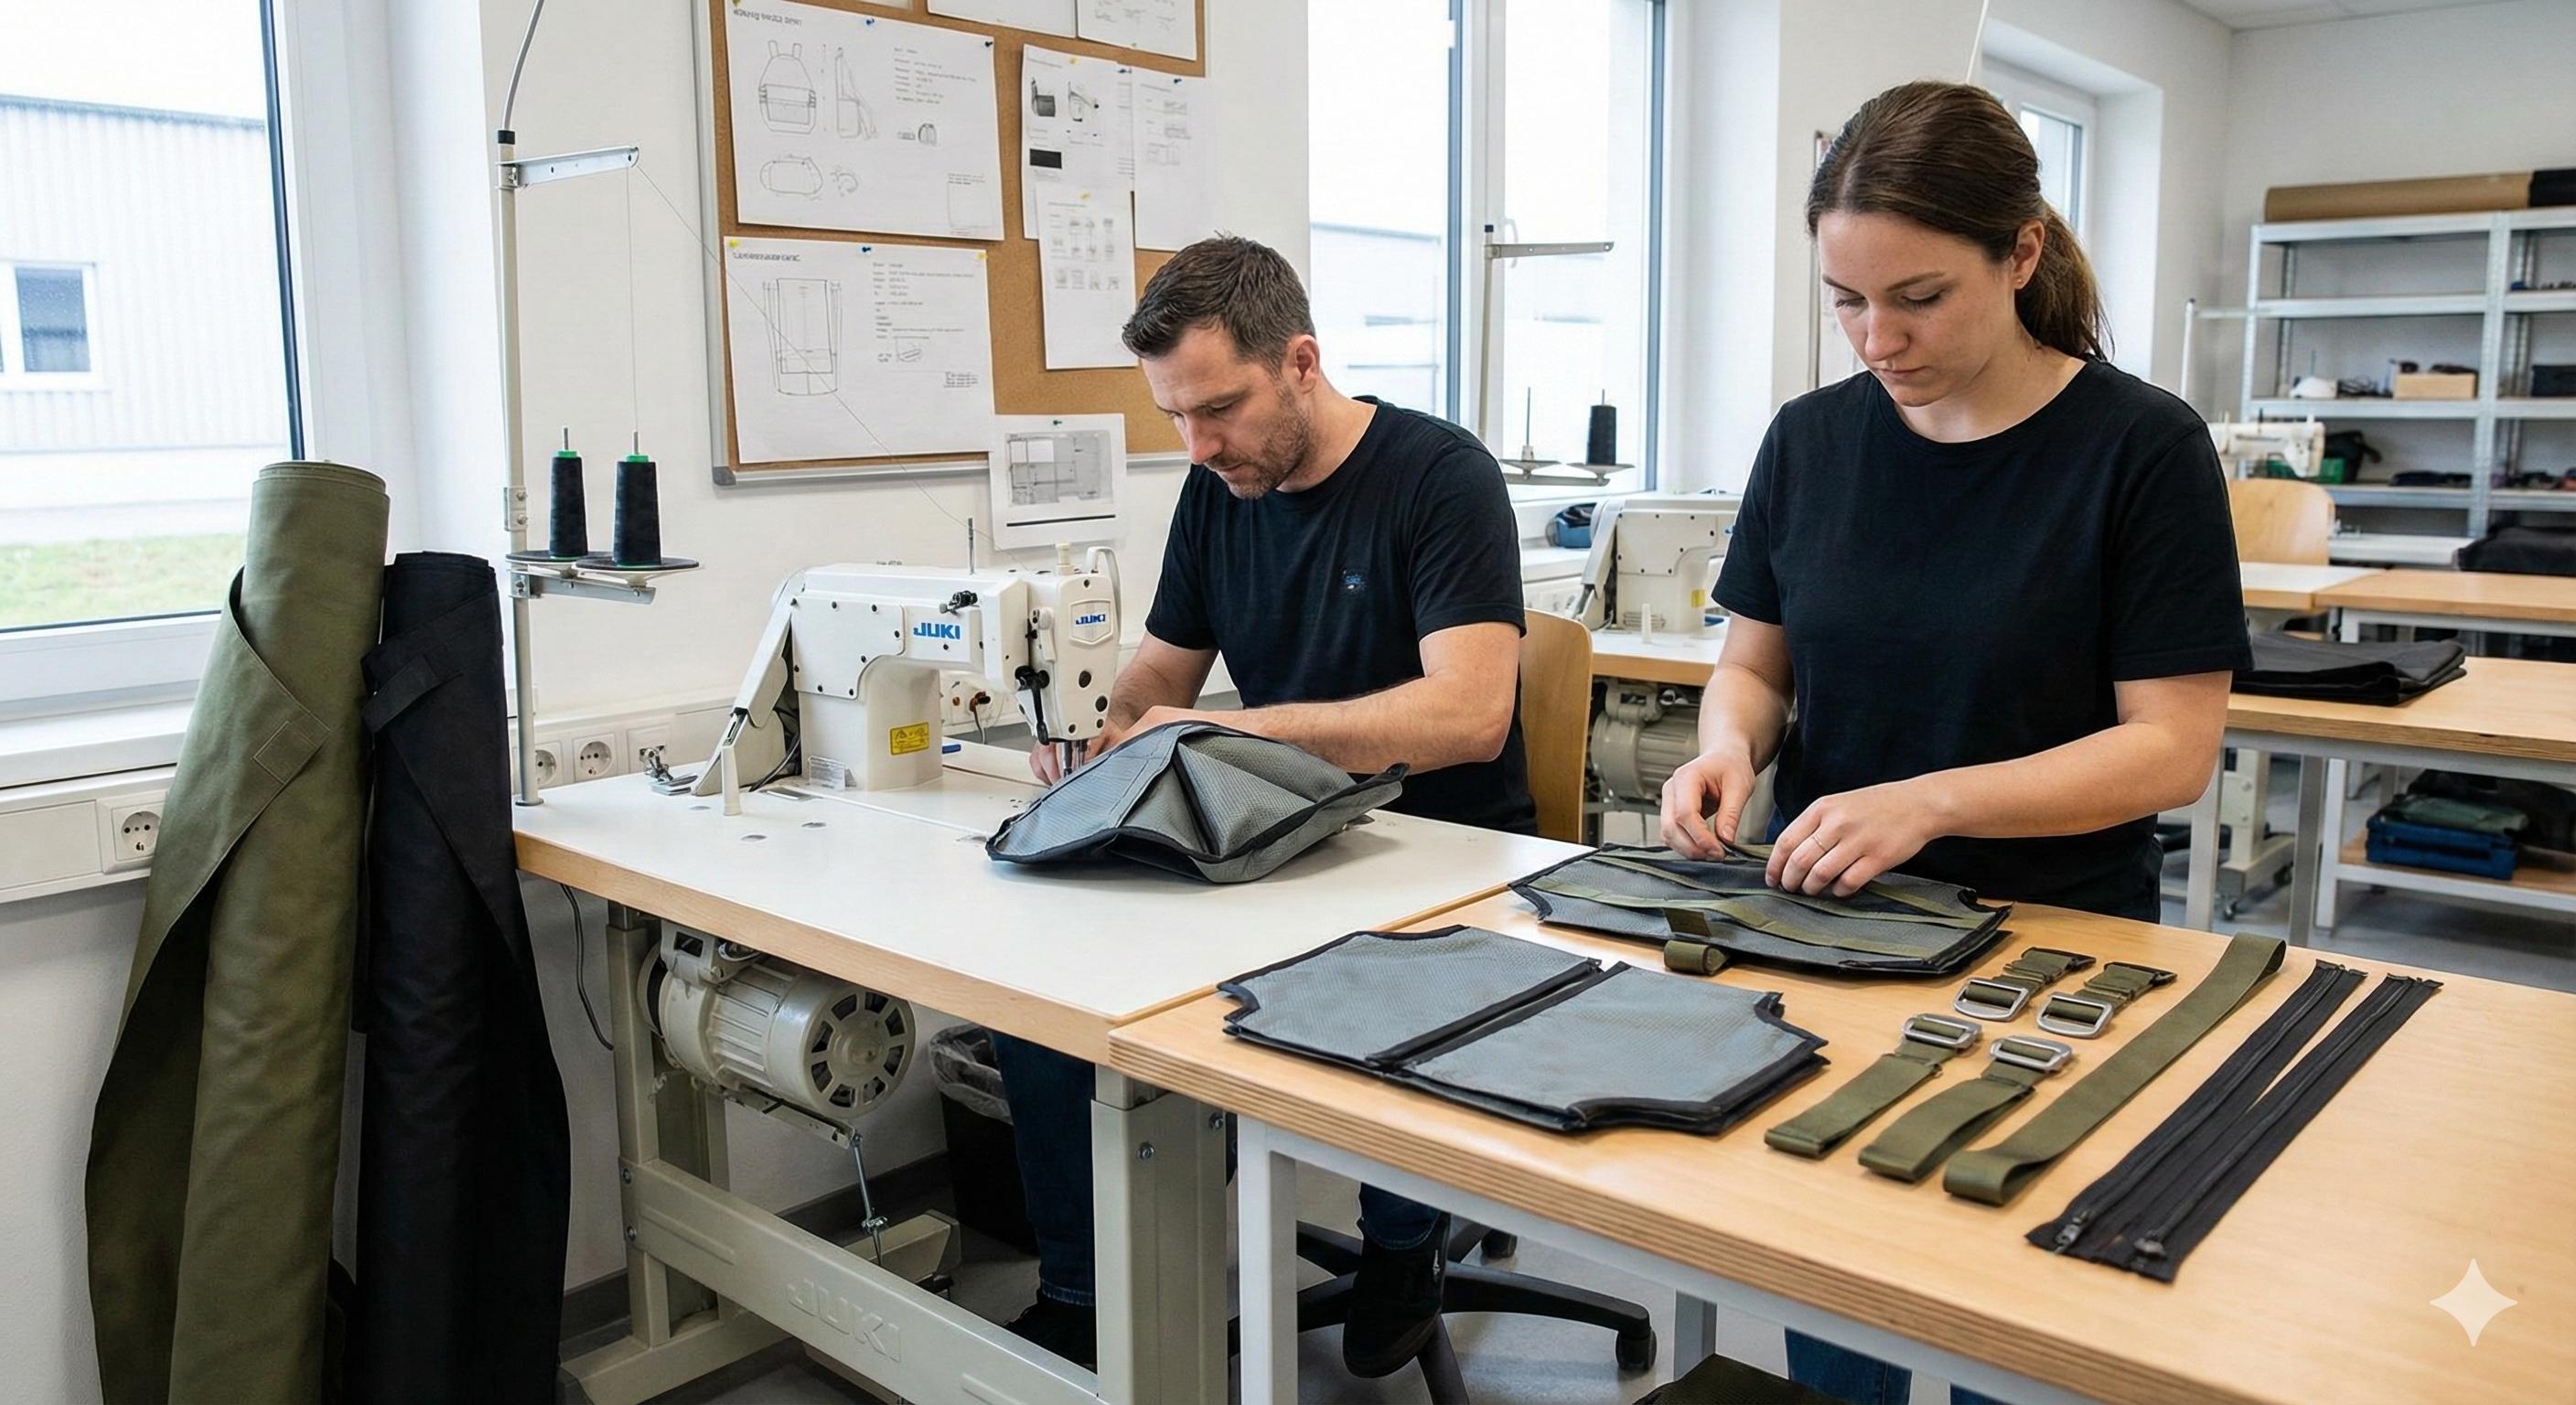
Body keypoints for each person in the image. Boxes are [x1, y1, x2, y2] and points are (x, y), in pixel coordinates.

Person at [1658, 80, 2248, 1405]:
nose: (1877, 338)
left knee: (2008, 1325)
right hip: (1837, 930)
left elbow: (2170, 748)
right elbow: (1753, 663)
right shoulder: (1810, 442)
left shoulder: (2141, 451)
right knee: (1846, 1310)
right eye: (1846, 303)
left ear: (2022, 253)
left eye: (1917, 298)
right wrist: (1728, 752)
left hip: (2062, 957)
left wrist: (1925, 802)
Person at [995, 234, 1536, 1378]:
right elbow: (1159, 675)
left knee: (1385, 999)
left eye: (1219, 411)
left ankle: (1405, 1245)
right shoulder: (1216, 489)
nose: (1198, 446)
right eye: (1175, 419)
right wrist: (1106, 734)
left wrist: (1232, 729)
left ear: (1300, 361)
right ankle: (1084, 1293)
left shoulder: (1438, 476)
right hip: (1283, 842)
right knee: (1037, 998)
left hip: (1447, 860)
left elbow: (1468, 717)